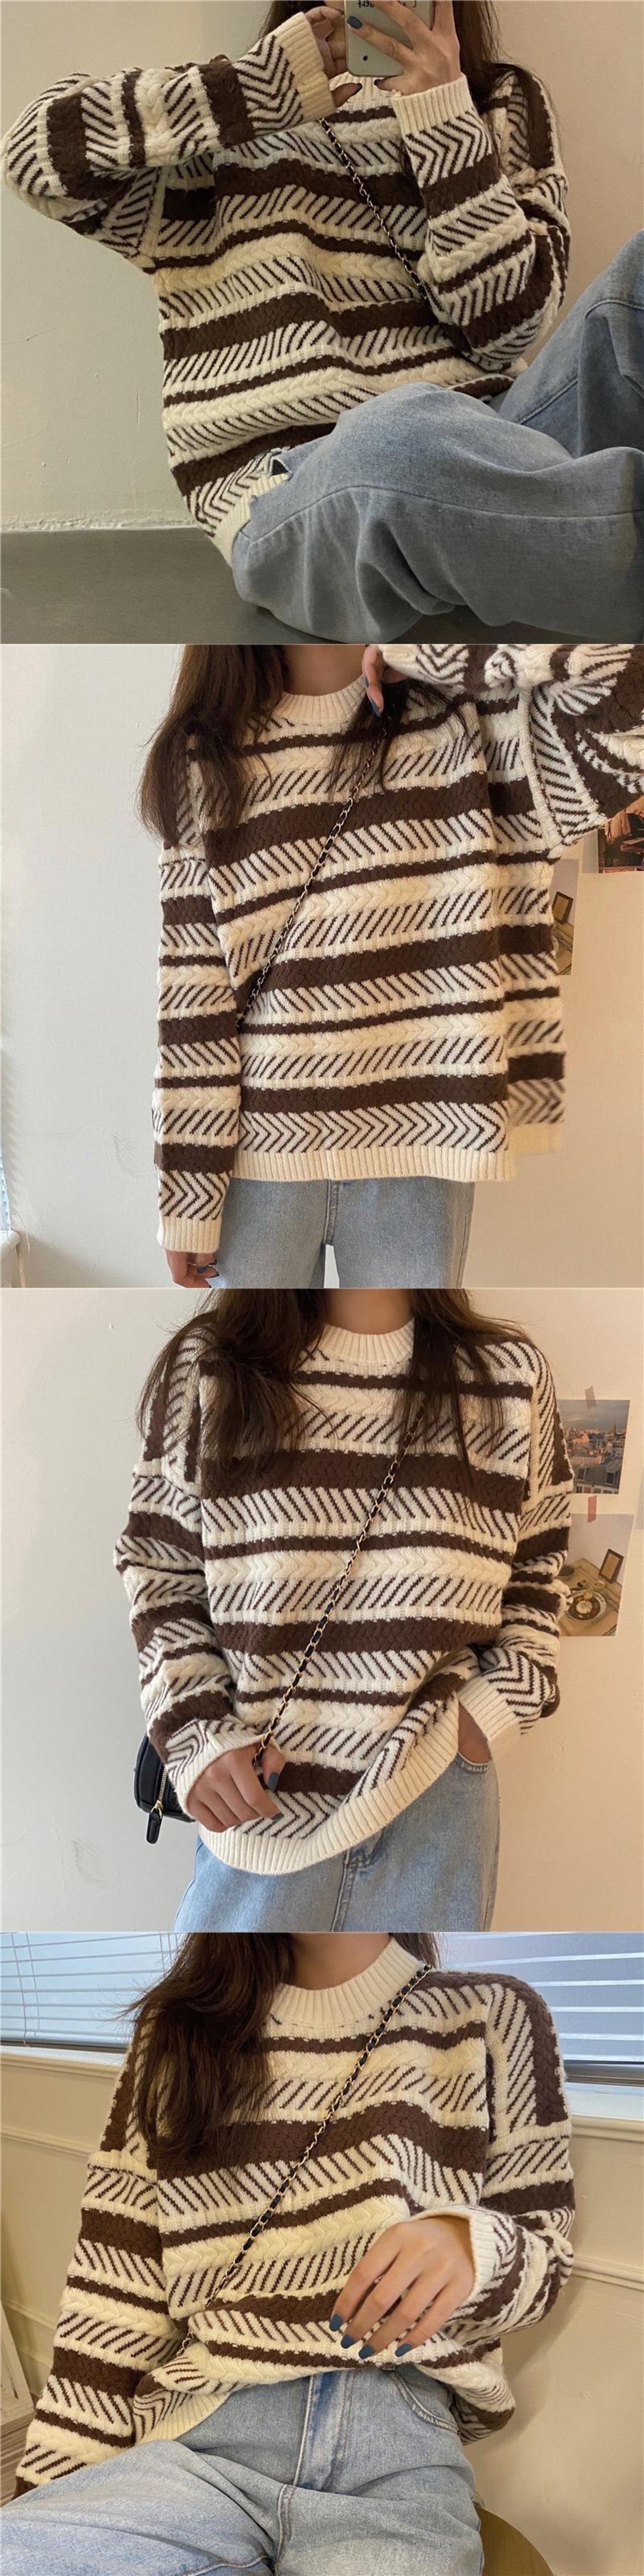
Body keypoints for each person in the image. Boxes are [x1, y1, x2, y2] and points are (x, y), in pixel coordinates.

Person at [4, 4, 641, 636]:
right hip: (302, 484)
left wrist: (442, 114)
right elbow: (32, 158)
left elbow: (507, 330)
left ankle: (558, 523)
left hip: (500, 432)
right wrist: (262, 87)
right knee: (399, 439)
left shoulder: (498, 100)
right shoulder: (222, 121)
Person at [3, 1930, 575, 2576]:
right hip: (202, 2443)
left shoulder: (491, 2012)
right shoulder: (175, 2030)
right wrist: (48, 2499)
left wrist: (471, 2243)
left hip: (395, 2454)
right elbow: (112, 2295)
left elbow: (545, 2252)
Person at [141, 638, 644, 1289]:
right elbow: (193, 1000)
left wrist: (422, 648)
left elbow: (629, 689)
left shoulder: (476, 727)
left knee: (405, 1357)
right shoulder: (205, 755)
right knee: (261, 1359)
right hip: (257, 1163)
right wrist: (187, 1198)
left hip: (425, 1153)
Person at [114, 1285, 574, 1931]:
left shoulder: (507, 1376)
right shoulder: (212, 1364)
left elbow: (537, 1572)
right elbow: (161, 1572)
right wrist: (197, 1733)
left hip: (437, 1798)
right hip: (259, 1807)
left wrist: (488, 1715)